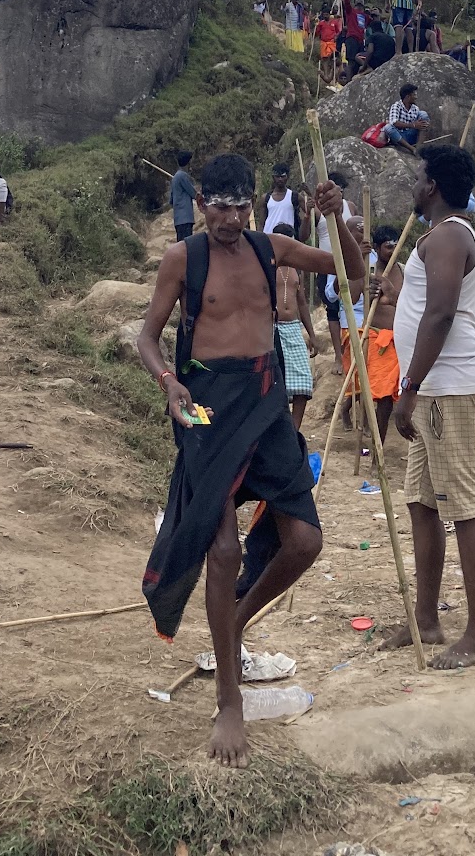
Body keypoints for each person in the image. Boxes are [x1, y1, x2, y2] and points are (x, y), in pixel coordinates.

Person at [137, 153, 363, 768]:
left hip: (265, 401)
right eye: (220, 205)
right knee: (224, 549)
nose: (231, 218)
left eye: (242, 206)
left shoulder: (274, 248)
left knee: (306, 541)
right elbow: (147, 337)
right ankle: (228, 701)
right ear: (202, 202)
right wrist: (168, 383)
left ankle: (231, 624)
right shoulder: (185, 258)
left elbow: (355, 274)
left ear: (255, 205)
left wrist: (337, 219)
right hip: (205, 408)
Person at [384, 144, 475, 670]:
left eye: (418, 177)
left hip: (445, 389)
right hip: (433, 390)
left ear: (431, 186)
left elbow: (441, 315)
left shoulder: (450, 235)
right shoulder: (440, 237)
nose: (413, 184)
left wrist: (408, 389)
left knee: (464, 508)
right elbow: (419, 308)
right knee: (423, 503)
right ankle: (425, 620)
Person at [342, 225, 403, 460]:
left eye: (397, 244)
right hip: (376, 340)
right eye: (389, 246)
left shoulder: (406, 271)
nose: (394, 249)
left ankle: (379, 449)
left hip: (400, 339)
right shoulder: (367, 269)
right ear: (377, 249)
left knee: (388, 400)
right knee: (379, 397)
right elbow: (352, 295)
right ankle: (375, 450)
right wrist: (358, 258)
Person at [270, 222, 319, 427]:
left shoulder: (296, 270)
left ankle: (294, 430)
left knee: (303, 382)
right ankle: (275, 428)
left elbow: (302, 302)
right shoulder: (265, 267)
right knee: (273, 381)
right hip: (270, 329)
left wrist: (312, 334)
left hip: (293, 328)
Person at [260, 163, 303, 237]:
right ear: (273, 177)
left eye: (283, 176)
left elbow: (308, 213)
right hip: (268, 237)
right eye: (277, 176)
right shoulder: (266, 198)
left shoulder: (295, 196)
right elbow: (261, 222)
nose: (280, 179)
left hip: (288, 238)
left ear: (287, 177)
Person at [384, 83, 431, 152]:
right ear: (408, 97)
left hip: (411, 135)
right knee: (388, 127)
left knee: (423, 114)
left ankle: (419, 147)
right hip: (400, 137)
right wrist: (413, 125)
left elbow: (421, 123)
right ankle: (412, 149)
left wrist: (424, 124)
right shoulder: (396, 106)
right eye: (414, 95)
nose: (416, 97)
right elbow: (394, 123)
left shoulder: (415, 108)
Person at [169, 150, 198, 241]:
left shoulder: (176, 177)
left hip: (178, 218)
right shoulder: (183, 176)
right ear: (188, 163)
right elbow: (193, 194)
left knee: (180, 243)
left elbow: (171, 199)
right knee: (186, 245)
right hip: (185, 217)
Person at [338, 0, 368, 77]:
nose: (360, 1)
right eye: (358, 0)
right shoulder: (351, 11)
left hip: (361, 41)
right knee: (351, 62)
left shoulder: (365, 16)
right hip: (351, 39)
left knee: (359, 62)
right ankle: (348, 81)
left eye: (361, 0)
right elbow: (347, 2)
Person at [315, 6, 341, 86]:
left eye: (326, 14)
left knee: (333, 58)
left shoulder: (334, 22)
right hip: (324, 43)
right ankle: (326, 75)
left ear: (329, 14)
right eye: (324, 15)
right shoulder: (321, 23)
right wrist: (316, 26)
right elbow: (316, 33)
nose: (325, 16)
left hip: (332, 43)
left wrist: (336, 36)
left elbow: (338, 31)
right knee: (325, 59)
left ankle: (334, 76)